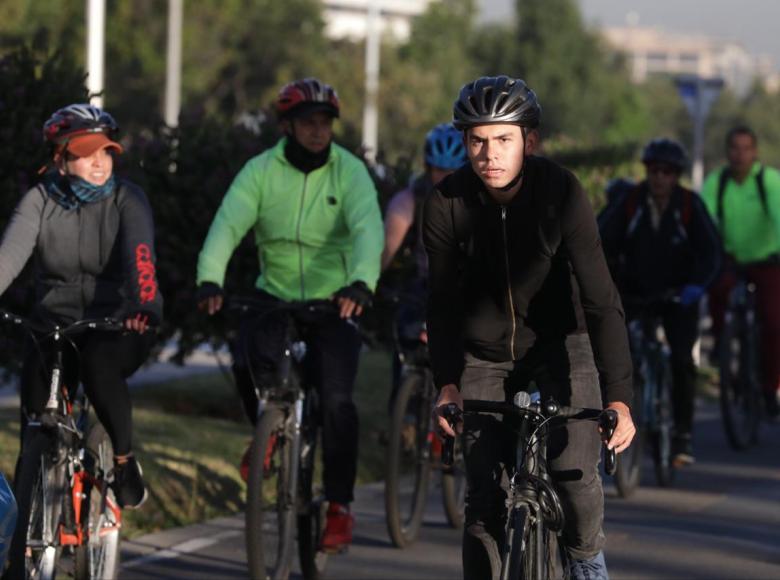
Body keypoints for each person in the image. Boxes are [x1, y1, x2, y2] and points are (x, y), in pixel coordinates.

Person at [426, 75, 635, 580]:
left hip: (563, 344)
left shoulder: (561, 192)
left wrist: (620, 397)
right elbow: (441, 302)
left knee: (576, 474)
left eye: (503, 139)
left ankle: (587, 563)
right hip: (485, 353)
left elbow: (601, 299)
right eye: (477, 141)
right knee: (484, 498)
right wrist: (447, 381)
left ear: (529, 141)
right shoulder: (447, 203)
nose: (489, 154)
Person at [195, 78, 383, 552]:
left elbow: (367, 230)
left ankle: (338, 506)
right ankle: (269, 431)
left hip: (334, 297)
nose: (318, 132)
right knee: (243, 359)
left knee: (337, 401)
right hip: (274, 294)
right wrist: (209, 278)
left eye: (325, 123)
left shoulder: (350, 173)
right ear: (287, 127)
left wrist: (361, 282)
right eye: (307, 123)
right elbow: (228, 224)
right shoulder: (261, 171)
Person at [0, 104, 162, 512]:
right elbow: (8, 257)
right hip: (55, 322)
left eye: (105, 151)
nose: (99, 162)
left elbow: (140, 259)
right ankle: (28, 527)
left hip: (118, 321)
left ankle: (123, 463)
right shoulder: (39, 200)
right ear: (60, 158)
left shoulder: (128, 200)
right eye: (87, 152)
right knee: (37, 416)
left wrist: (143, 305)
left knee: (100, 367)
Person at [599, 138, 722, 464]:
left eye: (667, 172)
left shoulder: (689, 205)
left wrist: (697, 286)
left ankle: (682, 435)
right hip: (634, 294)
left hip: (679, 296)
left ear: (676, 175)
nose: (660, 178)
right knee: (619, 357)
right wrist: (606, 286)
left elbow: (711, 253)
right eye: (654, 170)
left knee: (682, 360)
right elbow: (600, 243)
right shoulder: (630, 202)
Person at [381, 123, 467, 404]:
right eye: (438, 170)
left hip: (463, 284)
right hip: (422, 285)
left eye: (452, 171)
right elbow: (388, 245)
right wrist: (367, 282)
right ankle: (402, 410)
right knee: (404, 342)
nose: (444, 178)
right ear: (428, 168)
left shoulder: (478, 200)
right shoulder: (411, 199)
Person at [701, 125, 780, 418]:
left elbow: (779, 214)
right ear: (727, 151)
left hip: (767, 260)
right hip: (731, 259)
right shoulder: (716, 182)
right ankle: (723, 350)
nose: (740, 154)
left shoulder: (769, 181)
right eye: (734, 148)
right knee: (717, 292)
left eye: (746, 148)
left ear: (755, 152)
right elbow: (704, 221)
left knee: (773, 324)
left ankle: (770, 387)